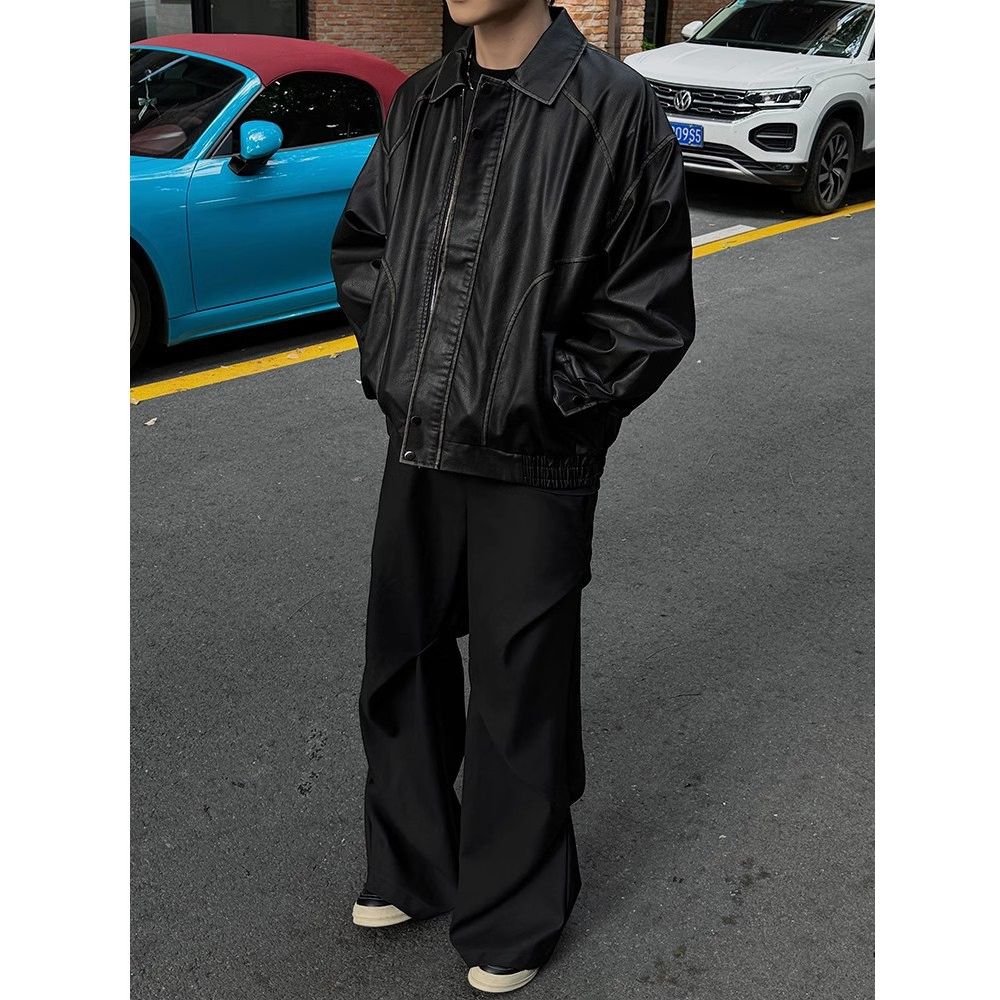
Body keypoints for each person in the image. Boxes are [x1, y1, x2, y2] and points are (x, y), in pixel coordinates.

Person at [330, 1, 695, 992]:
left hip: (535, 451)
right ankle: (410, 860)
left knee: (518, 683)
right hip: (420, 435)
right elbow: (364, 249)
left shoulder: (612, 107)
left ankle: (513, 908)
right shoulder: (423, 101)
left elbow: (649, 310)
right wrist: (396, 365)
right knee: (400, 658)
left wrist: (544, 402)